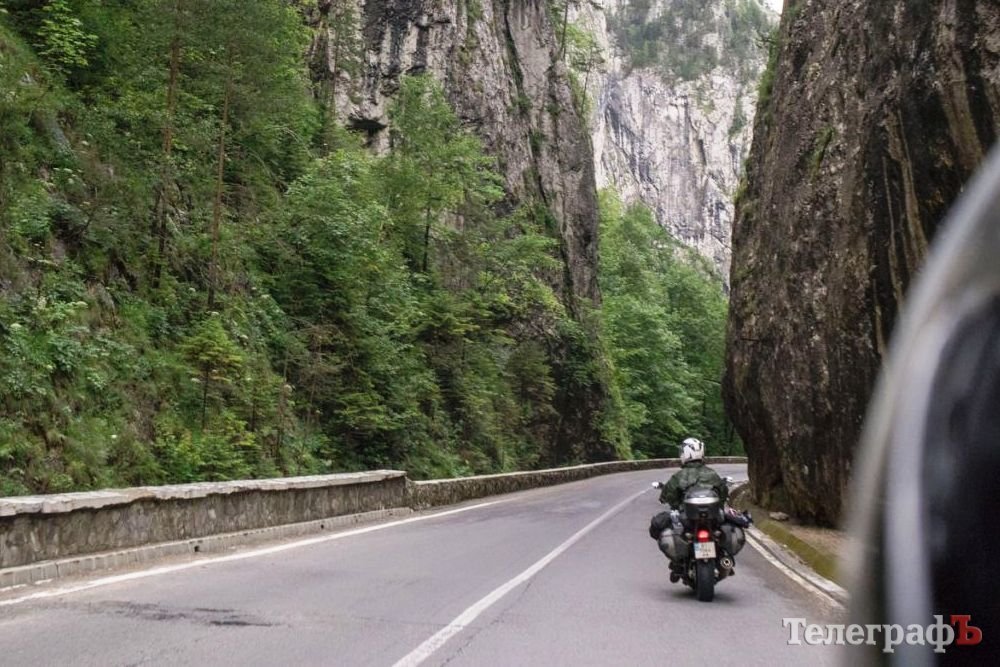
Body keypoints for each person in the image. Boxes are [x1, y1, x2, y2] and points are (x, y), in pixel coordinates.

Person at [650, 437, 731, 581]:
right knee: (724, 526)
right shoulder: (712, 474)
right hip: (712, 519)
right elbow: (723, 494)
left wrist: (673, 503)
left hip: (688, 519)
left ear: (685, 454)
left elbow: (669, 496)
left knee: (661, 525)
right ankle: (723, 556)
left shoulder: (679, 476)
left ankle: (677, 562)